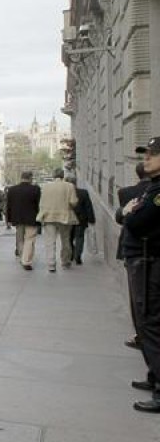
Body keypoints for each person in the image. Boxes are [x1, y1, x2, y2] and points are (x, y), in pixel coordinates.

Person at [121, 136, 160, 413]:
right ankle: (154, 376)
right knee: (146, 323)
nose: (145, 159)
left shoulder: (156, 193)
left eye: (151, 154)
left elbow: (134, 220)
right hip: (143, 261)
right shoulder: (152, 189)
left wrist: (129, 213)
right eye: (145, 155)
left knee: (151, 324)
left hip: (151, 263)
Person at [119, 162, 153, 350]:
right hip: (145, 252)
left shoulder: (126, 193)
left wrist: (126, 212)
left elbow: (122, 218)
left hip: (137, 252)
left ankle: (142, 334)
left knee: (138, 297)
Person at [36, 168, 78, 272]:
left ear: (53, 175)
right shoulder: (69, 186)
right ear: (63, 175)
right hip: (65, 216)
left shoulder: (46, 187)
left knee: (50, 241)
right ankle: (65, 261)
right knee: (65, 240)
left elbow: (42, 202)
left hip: (49, 216)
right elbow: (73, 202)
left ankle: (51, 264)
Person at [5, 171, 42, 270]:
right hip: (32, 218)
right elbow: (39, 205)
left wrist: (8, 219)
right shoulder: (36, 189)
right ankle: (26, 261)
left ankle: (22, 256)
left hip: (17, 218)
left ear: (21, 177)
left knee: (20, 239)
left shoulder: (12, 190)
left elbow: (8, 205)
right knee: (30, 239)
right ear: (30, 178)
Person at [68, 176, 95, 265]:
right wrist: (91, 219)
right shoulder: (83, 192)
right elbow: (88, 206)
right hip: (81, 219)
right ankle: (78, 255)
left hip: (69, 219)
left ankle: (72, 254)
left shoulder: (66, 193)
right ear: (76, 183)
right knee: (80, 238)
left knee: (69, 238)